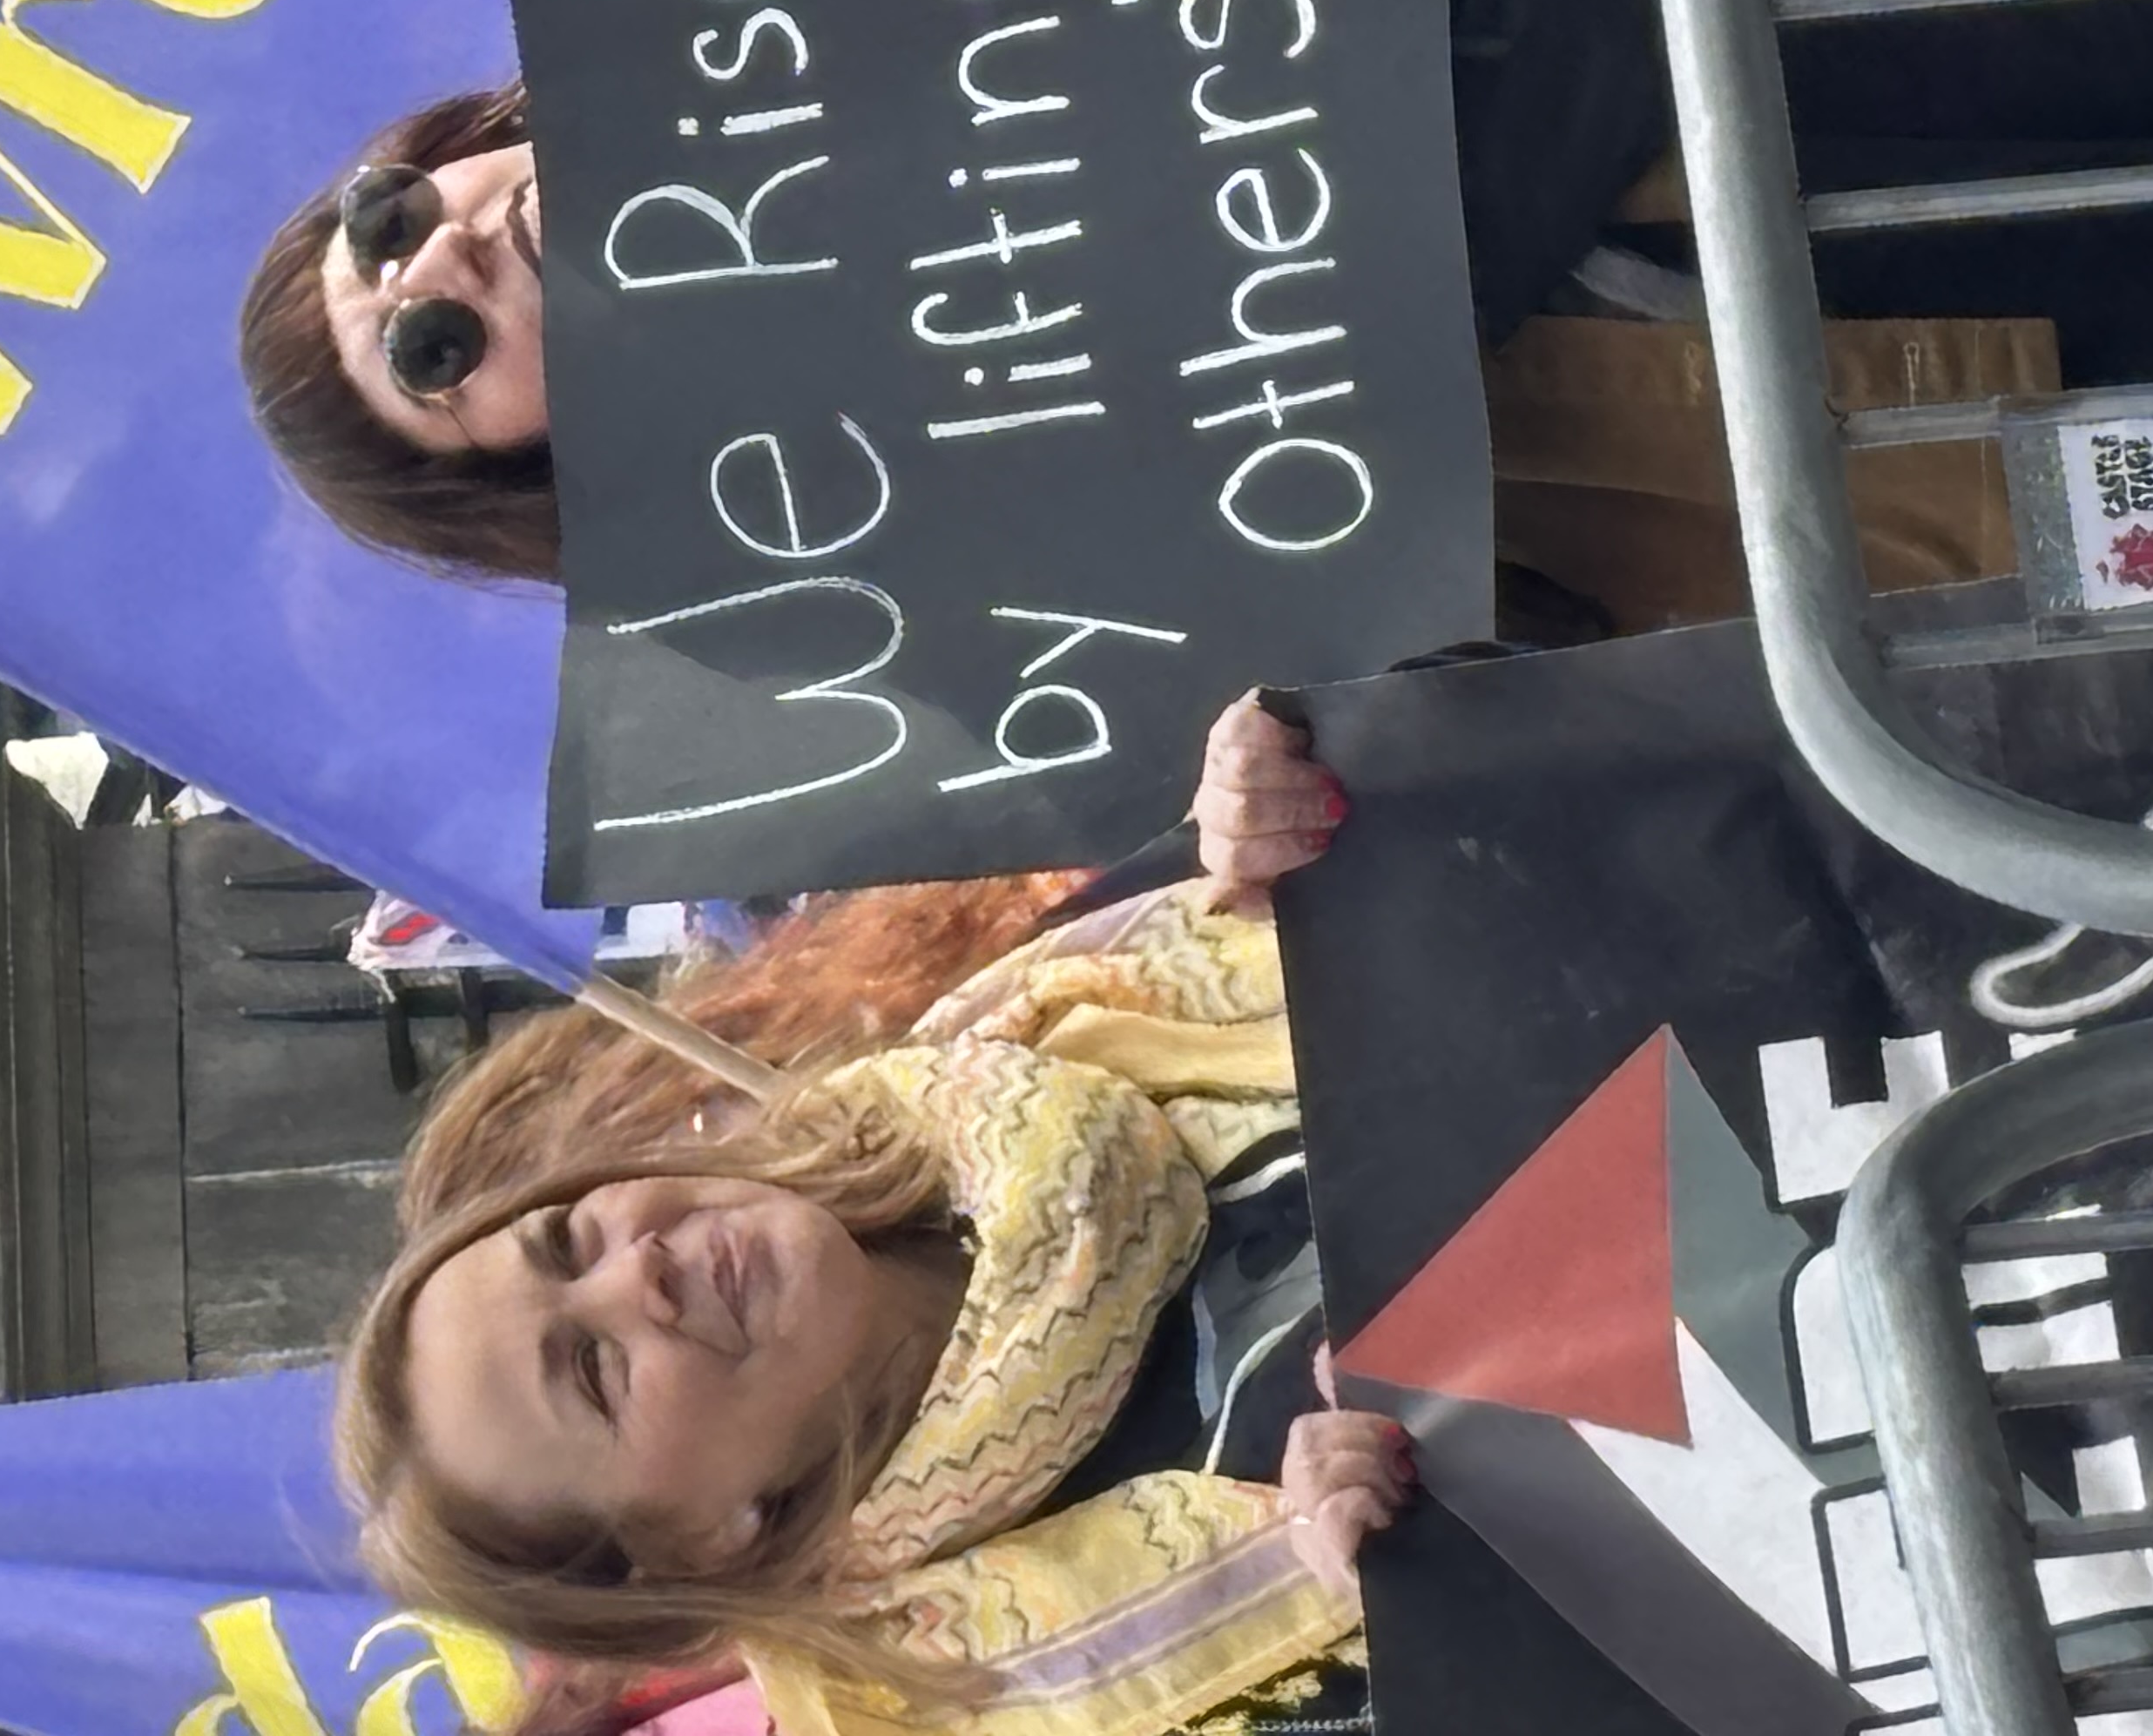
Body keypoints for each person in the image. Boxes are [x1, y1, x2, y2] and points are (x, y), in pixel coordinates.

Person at [239, 0, 1683, 586]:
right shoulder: (902, 578)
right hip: (1757, 314)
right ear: (527, 468)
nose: (445, 260)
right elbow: (1422, 633)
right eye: (429, 351)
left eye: (389, 218)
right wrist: (1254, 762)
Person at [342, 695, 1387, 1736]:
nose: (639, 1271)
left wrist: (1280, 775)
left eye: (570, 1241)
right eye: (592, 1370)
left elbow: (1476, 722)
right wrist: (1440, 1576)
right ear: (699, 1546)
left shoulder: (1028, 1018)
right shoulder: (1045, 1693)